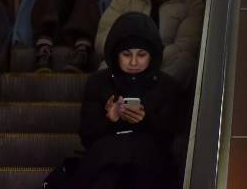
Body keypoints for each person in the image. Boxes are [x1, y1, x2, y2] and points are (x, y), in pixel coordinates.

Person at [72, 12, 182, 189]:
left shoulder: (166, 85)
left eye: (141, 54)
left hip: (149, 164)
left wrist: (145, 119)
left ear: (151, 55)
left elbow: (170, 137)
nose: (133, 62)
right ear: (116, 54)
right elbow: (87, 136)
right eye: (126, 54)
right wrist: (111, 119)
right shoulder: (99, 82)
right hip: (105, 160)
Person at [97, 0, 205, 89]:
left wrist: (147, 59)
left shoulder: (192, 6)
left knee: (185, 63)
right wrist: (130, 56)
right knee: (104, 68)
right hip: (124, 63)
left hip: (162, 69)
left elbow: (186, 46)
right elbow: (103, 37)